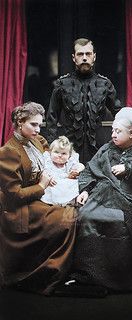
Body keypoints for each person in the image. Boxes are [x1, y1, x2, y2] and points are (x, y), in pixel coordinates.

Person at [61, 107, 132, 293]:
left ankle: (119, 276)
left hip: (130, 197)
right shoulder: (106, 148)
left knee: (120, 222)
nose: (113, 134)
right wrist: (85, 190)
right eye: (113, 130)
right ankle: (89, 273)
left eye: (118, 131)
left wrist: (129, 167)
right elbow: (88, 170)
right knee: (85, 217)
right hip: (101, 194)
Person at [0, 102, 79, 296]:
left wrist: (71, 168)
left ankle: (63, 270)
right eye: (33, 125)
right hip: (19, 207)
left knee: (74, 211)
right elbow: (14, 195)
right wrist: (42, 185)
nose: (37, 129)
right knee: (66, 219)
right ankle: (45, 275)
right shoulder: (9, 151)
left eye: (39, 125)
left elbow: (51, 157)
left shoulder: (36, 141)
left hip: (39, 197)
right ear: (19, 122)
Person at [46, 37, 122, 164]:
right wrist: (52, 148)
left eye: (88, 54)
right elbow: (51, 118)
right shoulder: (62, 84)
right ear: (74, 58)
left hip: (98, 149)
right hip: (69, 151)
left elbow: (119, 114)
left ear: (94, 57)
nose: (85, 57)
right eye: (80, 54)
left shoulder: (105, 84)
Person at [41, 135, 85, 206]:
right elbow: (44, 172)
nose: (60, 155)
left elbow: (80, 166)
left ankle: (70, 202)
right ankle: (54, 203)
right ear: (50, 152)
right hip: (53, 185)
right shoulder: (48, 162)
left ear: (69, 155)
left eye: (64, 153)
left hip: (66, 186)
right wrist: (48, 179)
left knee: (75, 183)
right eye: (56, 152)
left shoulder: (69, 163)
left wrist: (77, 170)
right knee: (50, 187)